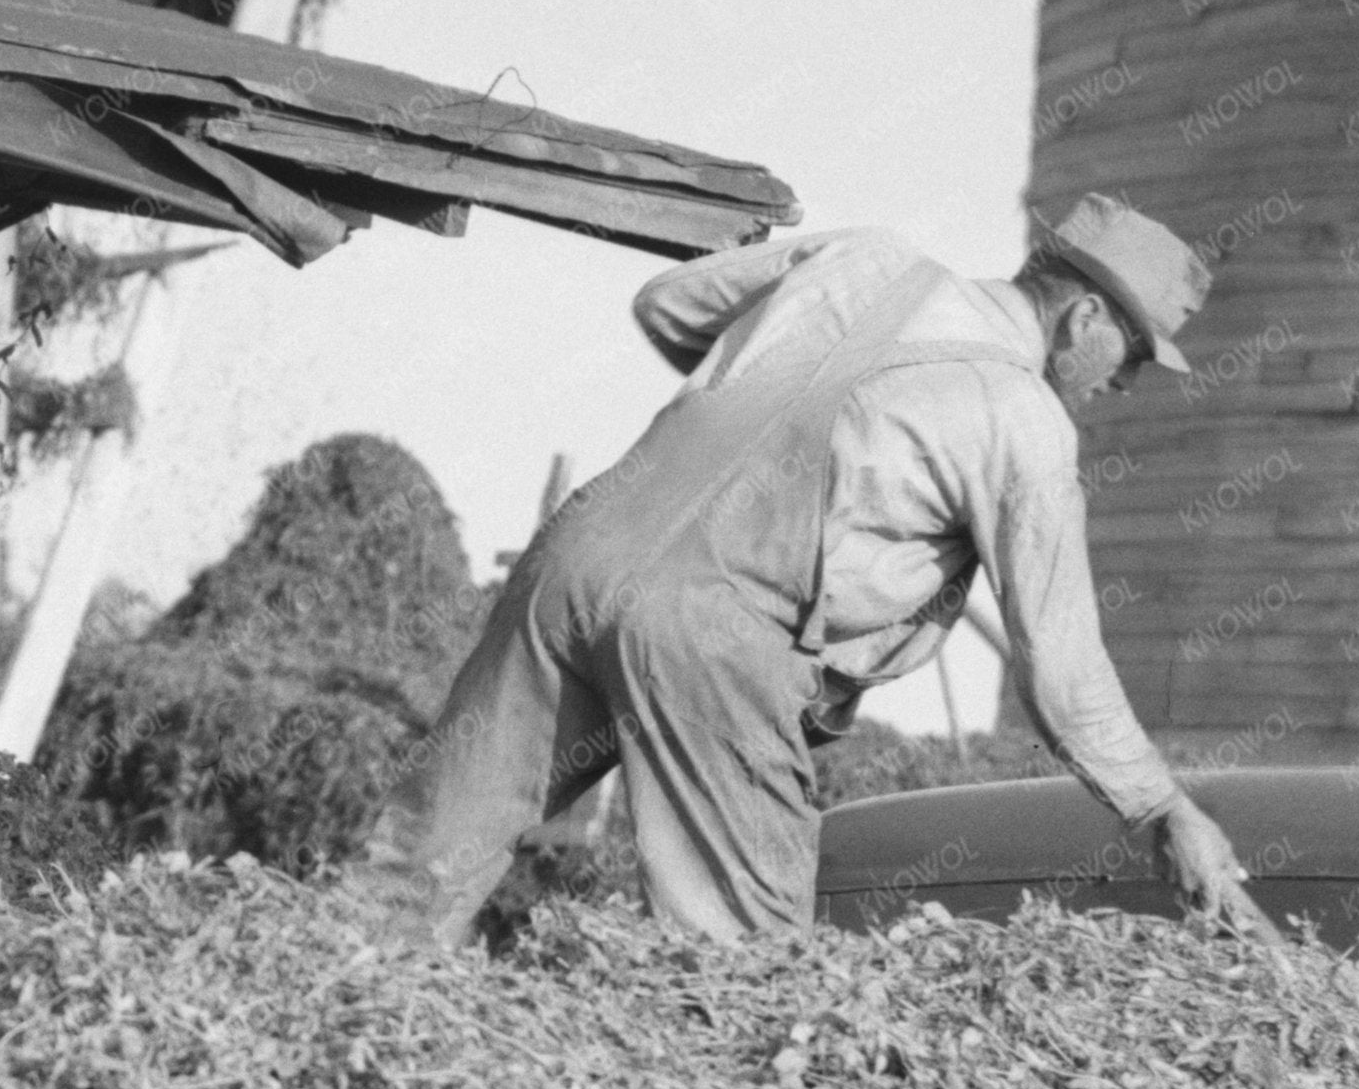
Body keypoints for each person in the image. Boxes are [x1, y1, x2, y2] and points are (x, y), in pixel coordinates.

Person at [351, 196, 1258, 948]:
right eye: (1134, 356)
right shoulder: (1024, 423)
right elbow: (1060, 666)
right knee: (745, 972)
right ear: (1084, 316)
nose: (1127, 382)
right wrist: (1158, 807)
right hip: (712, 632)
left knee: (406, 878)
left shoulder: (869, 258)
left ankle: (304, 1035)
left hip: (576, 556)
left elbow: (664, 302)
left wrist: (752, 399)